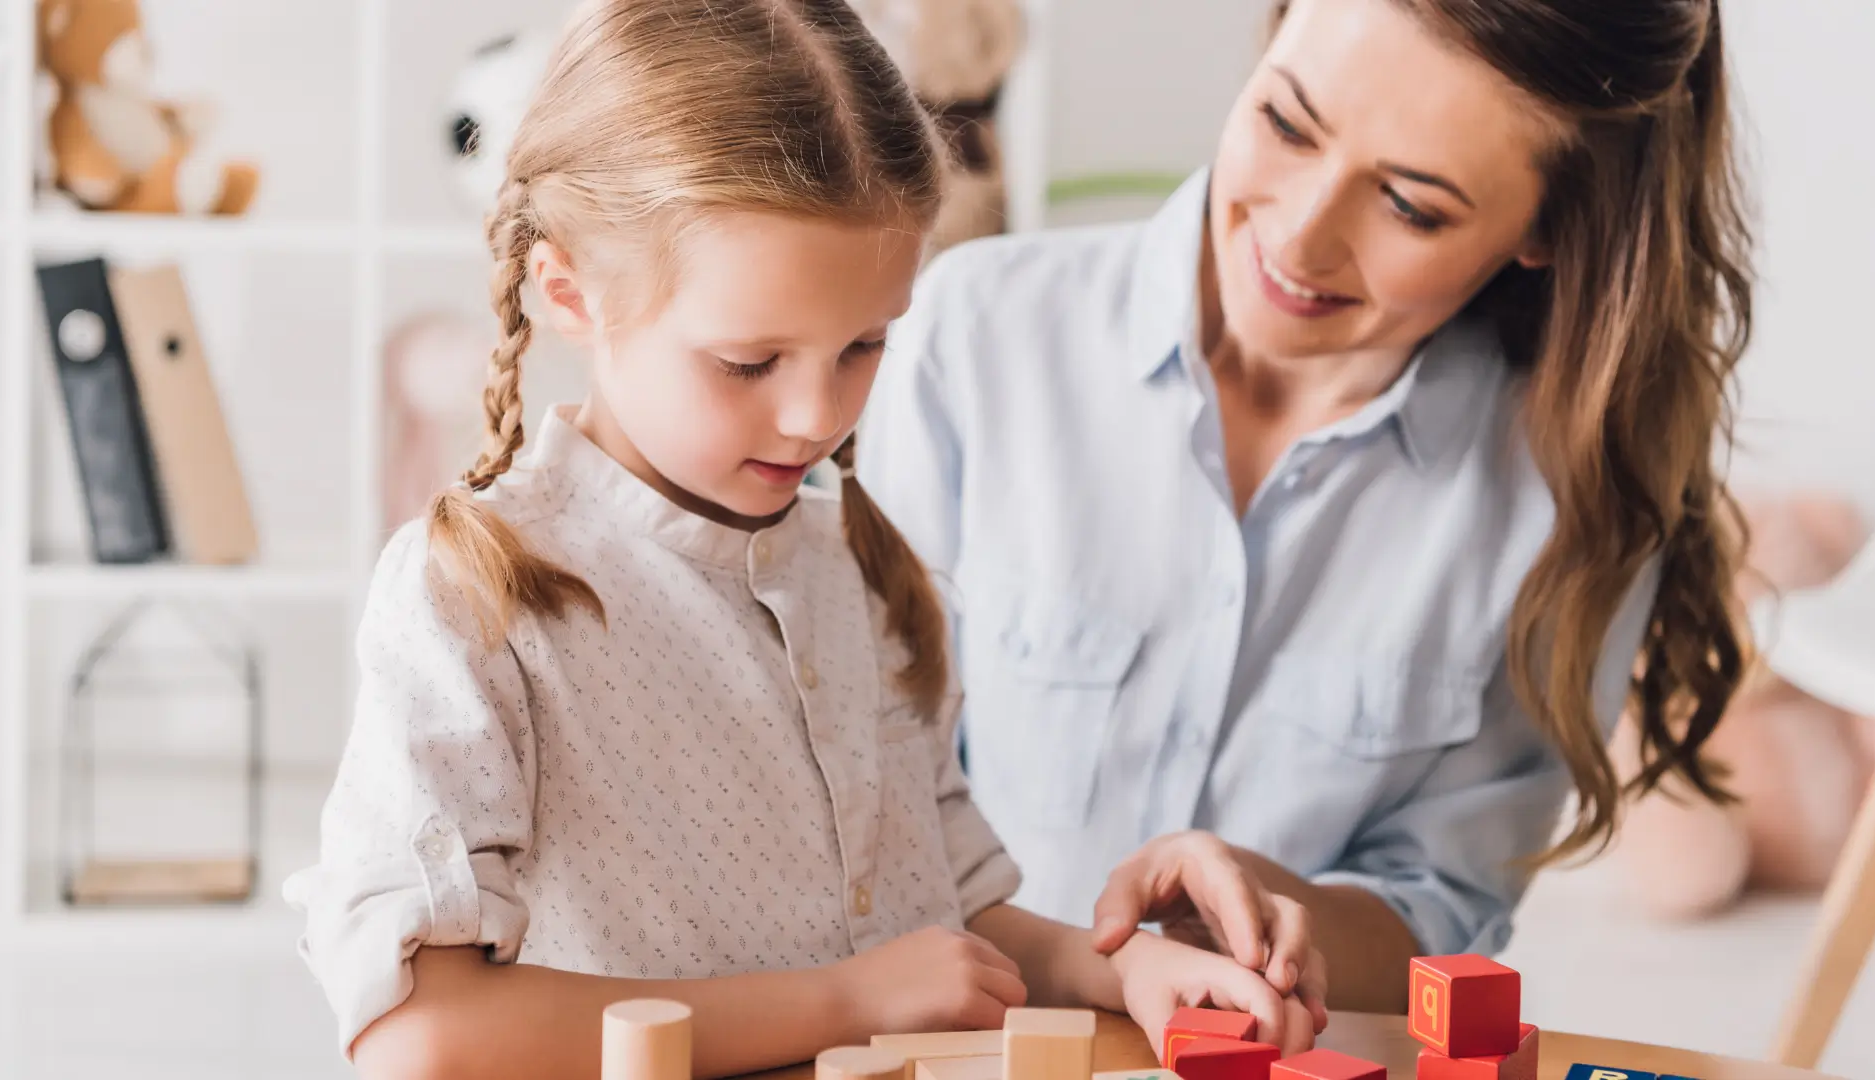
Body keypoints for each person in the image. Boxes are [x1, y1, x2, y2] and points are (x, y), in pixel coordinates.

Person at [283, 2, 1323, 1078]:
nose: (815, 415)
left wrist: (1125, 972)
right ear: (568, 293)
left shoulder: (860, 574)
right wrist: (841, 1003)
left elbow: (947, 940)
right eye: (748, 361)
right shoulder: (474, 599)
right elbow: (422, 1037)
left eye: (864, 344)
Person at [859, 0, 1752, 1014]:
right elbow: (862, 796)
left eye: (1412, 205)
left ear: (1548, 226)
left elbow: (1443, 904)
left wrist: (1275, 925)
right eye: (1286, 123)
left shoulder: (1564, 496)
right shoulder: (975, 336)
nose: (1300, 235)